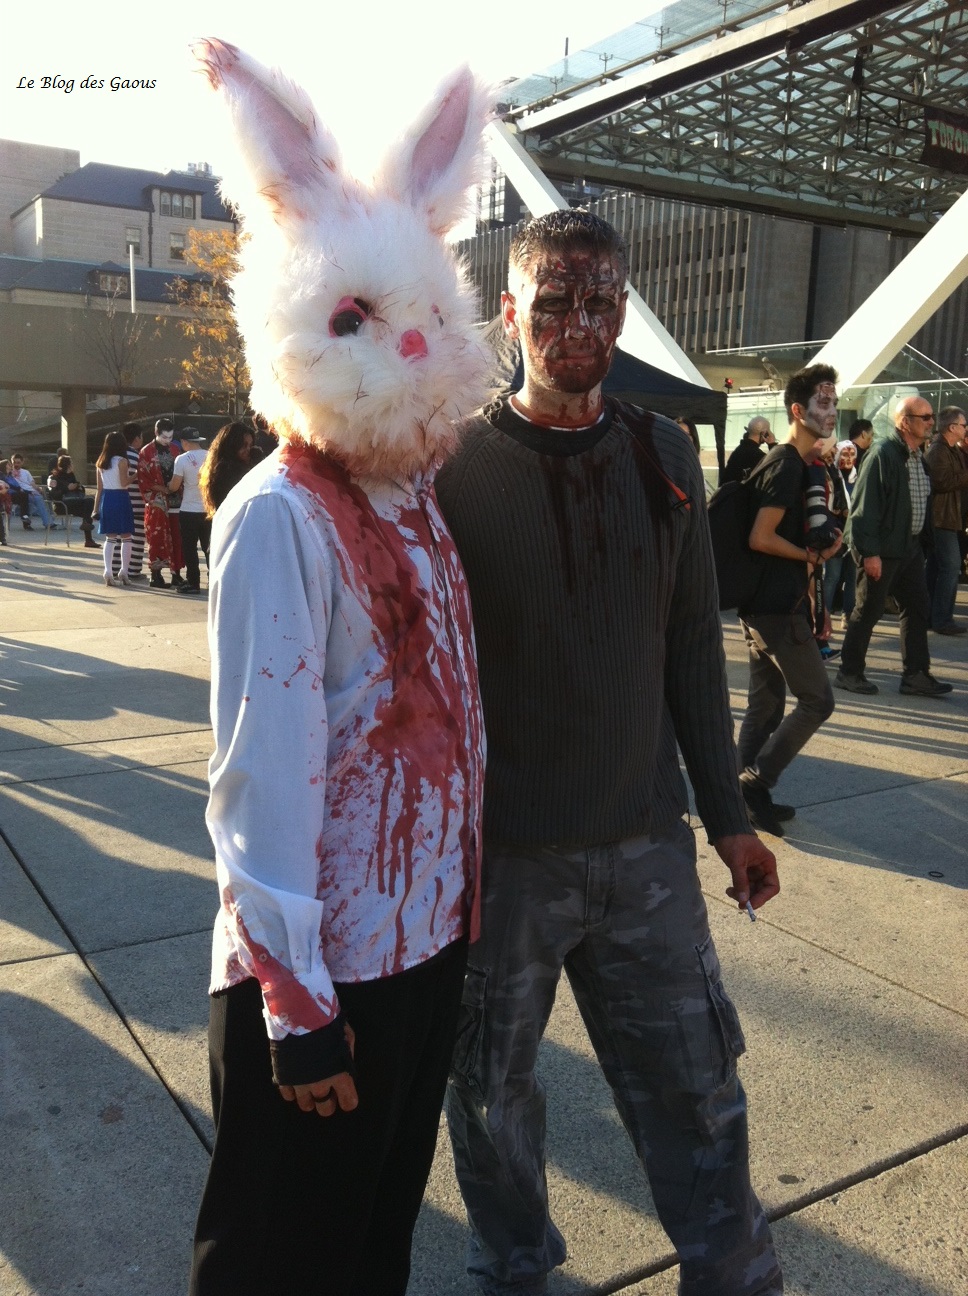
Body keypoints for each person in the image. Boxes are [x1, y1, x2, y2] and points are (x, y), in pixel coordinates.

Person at [437, 210, 782, 1296]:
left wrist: (729, 818)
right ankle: (514, 1269)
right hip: (500, 863)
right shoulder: (451, 465)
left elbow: (691, 647)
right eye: (553, 303)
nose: (578, 325)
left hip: (644, 848)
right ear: (509, 313)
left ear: (624, 311)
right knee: (489, 1098)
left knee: (697, 1088)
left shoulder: (663, 451)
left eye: (599, 302)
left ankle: (731, 1274)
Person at [733, 366, 841, 834]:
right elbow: (761, 537)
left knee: (766, 706)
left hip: (765, 603)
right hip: (777, 607)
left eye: (835, 403)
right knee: (817, 701)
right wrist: (810, 555)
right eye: (823, 403)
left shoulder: (793, 462)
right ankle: (755, 782)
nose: (832, 412)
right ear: (798, 410)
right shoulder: (787, 465)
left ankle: (736, 796)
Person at [836, 396, 953, 696]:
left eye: (932, 416)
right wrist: (870, 553)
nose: (931, 422)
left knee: (917, 607)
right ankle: (849, 672)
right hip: (884, 549)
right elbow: (865, 508)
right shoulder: (883, 453)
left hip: (909, 548)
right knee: (868, 609)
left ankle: (916, 675)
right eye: (925, 417)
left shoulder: (916, 456)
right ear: (904, 422)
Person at [924, 406, 968, 635]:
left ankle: (932, 616)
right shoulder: (938, 450)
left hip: (948, 518)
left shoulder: (951, 450)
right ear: (952, 427)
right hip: (941, 519)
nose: (965, 428)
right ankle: (941, 619)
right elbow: (941, 481)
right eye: (963, 425)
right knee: (950, 567)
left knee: (938, 567)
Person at [138, 417, 185, 588]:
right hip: (157, 501)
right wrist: (162, 489)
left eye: (170, 437)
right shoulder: (146, 452)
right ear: (156, 433)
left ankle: (176, 574)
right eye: (164, 437)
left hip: (176, 499)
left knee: (177, 537)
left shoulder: (175, 449)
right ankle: (156, 575)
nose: (167, 441)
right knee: (157, 538)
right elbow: (143, 479)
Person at [92, 431, 135, 588]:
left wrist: (95, 509)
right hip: (121, 497)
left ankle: (108, 571)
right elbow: (124, 482)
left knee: (110, 537)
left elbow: (99, 489)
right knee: (126, 536)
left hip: (107, 499)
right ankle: (124, 571)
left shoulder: (101, 462)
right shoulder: (122, 461)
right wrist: (136, 474)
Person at [169, 434, 210, 594]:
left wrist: (167, 486)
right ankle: (214, 578)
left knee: (190, 548)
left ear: (184, 442)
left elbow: (174, 486)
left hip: (189, 509)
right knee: (209, 547)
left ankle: (193, 582)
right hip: (208, 509)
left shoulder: (182, 459)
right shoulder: (210, 455)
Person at [112, 423, 148, 581]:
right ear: (137, 438)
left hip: (116, 501)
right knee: (136, 538)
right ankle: (132, 570)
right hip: (136, 503)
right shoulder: (137, 457)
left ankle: (114, 568)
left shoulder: (113, 457)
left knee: (117, 538)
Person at [198, 421, 257, 514]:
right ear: (232, 444)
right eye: (244, 445)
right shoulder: (227, 470)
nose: (248, 450)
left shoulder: (215, 467)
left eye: (250, 445)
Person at [47, 454, 98, 548]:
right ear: (68, 465)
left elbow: (80, 491)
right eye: (72, 463)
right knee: (88, 507)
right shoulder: (54, 477)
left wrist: (77, 486)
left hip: (74, 503)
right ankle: (88, 539)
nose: (73, 465)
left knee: (89, 504)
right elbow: (53, 495)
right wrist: (66, 488)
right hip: (62, 505)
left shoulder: (71, 476)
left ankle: (87, 534)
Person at [721, 416, 772, 485]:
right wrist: (772, 445)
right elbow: (777, 472)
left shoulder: (738, 451)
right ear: (764, 434)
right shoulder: (758, 456)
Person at [9, 454, 55, 530]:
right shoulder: (9, 473)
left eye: (18, 463)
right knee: (37, 499)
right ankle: (48, 523)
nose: (16, 465)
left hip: (31, 491)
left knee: (39, 498)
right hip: (20, 493)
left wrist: (38, 489)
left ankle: (48, 522)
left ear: (22, 462)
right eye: (14, 462)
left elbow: (32, 483)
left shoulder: (26, 472)